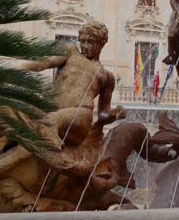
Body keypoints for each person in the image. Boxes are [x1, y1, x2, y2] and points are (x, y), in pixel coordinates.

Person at [16, 21, 117, 149]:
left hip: (79, 118)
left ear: (101, 43)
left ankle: (55, 148)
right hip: (51, 109)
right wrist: (16, 68)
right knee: (17, 110)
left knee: (49, 121)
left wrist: (114, 114)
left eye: (90, 42)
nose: (85, 46)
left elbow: (102, 114)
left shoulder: (107, 76)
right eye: (82, 41)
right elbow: (44, 63)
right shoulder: (71, 52)